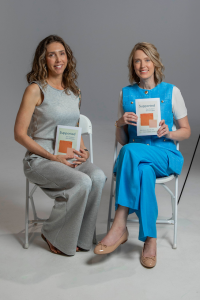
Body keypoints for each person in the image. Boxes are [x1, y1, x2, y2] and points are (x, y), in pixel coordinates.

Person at [94, 42, 191, 268]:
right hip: (137, 159)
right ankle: (151, 239)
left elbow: (186, 131)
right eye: (138, 60)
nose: (143, 65)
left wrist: (171, 131)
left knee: (130, 154)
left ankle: (120, 223)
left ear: (155, 63)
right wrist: (120, 123)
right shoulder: (125, 94)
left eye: (147, 60)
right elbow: (124, 140)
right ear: (133, 65)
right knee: (143, 170)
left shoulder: (172, 91)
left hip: (164, 155)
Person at [14, 35, 106, 256]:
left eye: (62, 53)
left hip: (67, 156)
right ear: (43, 60)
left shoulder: (74, 91)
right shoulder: (35, 89)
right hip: (40, 160)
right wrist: (53, 157)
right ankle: (52, 232)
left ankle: (81, 238)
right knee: (82, 181)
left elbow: (74, 126)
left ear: (68, 57)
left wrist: (83, 151)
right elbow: (19, 134)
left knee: (98, 176)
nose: (58, 59)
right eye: (51, 54)